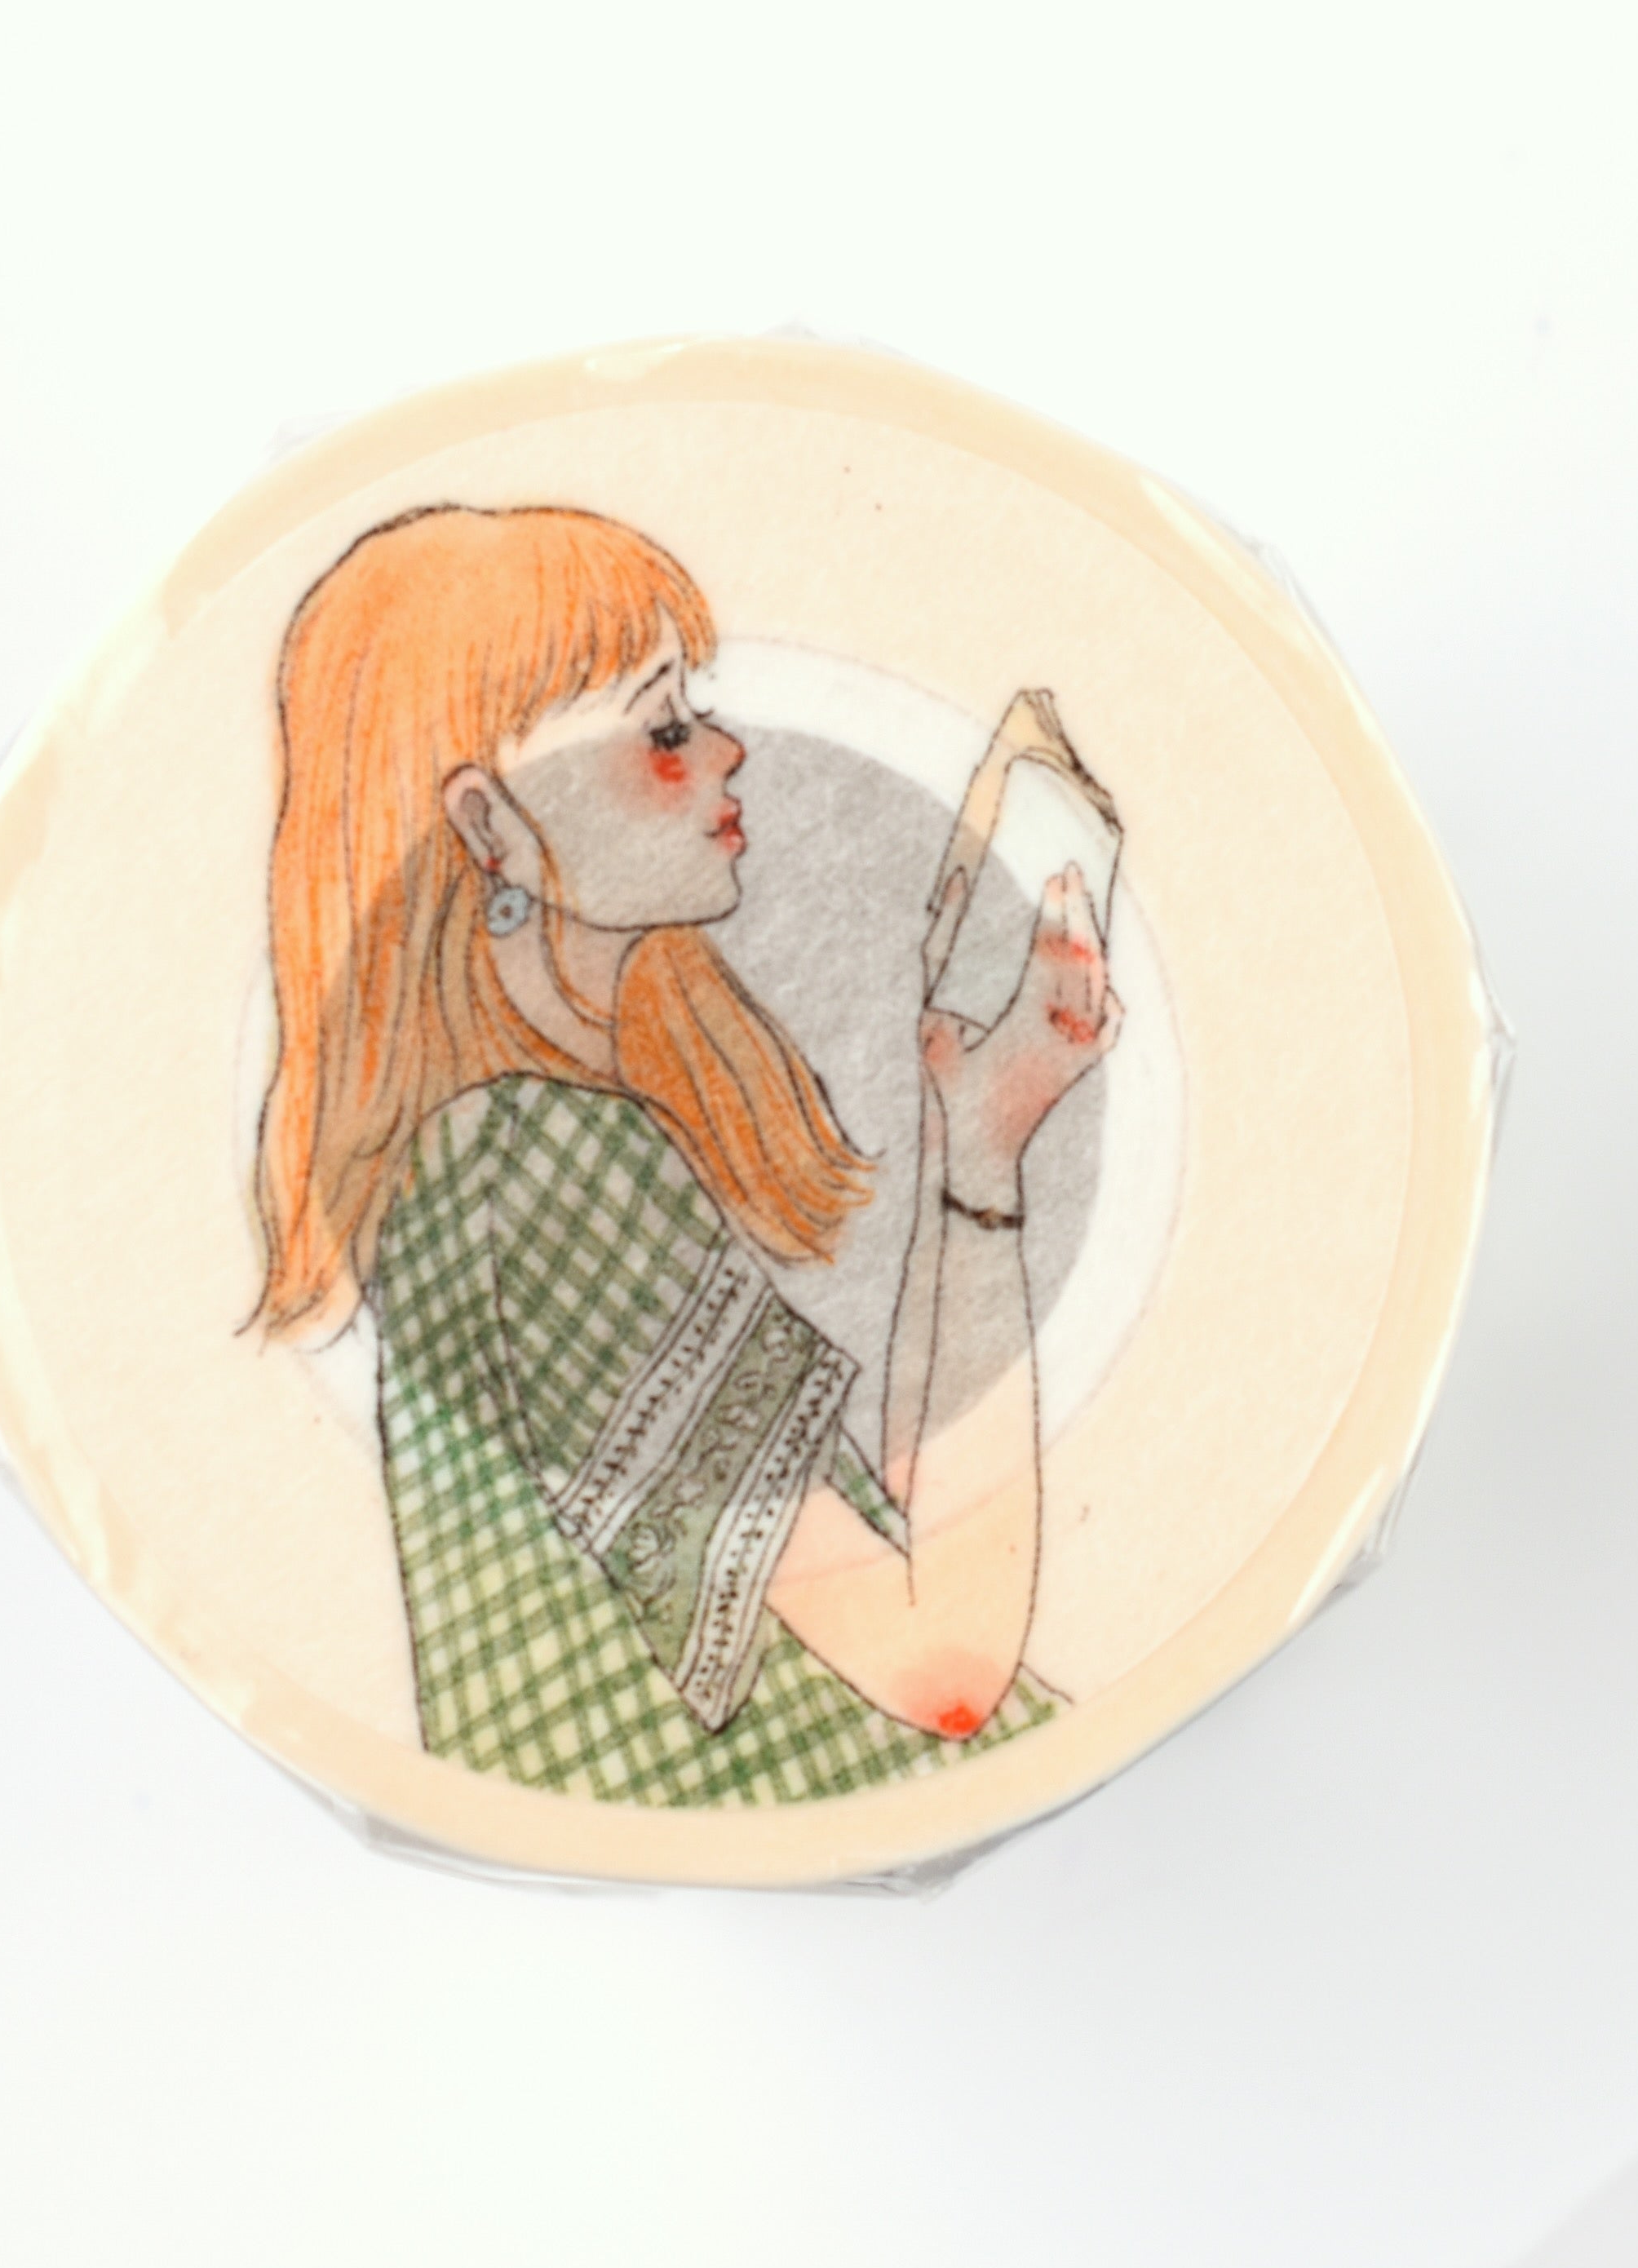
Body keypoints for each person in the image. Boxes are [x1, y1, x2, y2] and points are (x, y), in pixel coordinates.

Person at [249, 503, 1121, 1809]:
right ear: (489, 825)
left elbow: (895, 1537)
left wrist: (981, 1140)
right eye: (661, 728)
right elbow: (942, 1665)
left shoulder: (497, 1164)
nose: (725, 748)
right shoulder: (534, 1164)